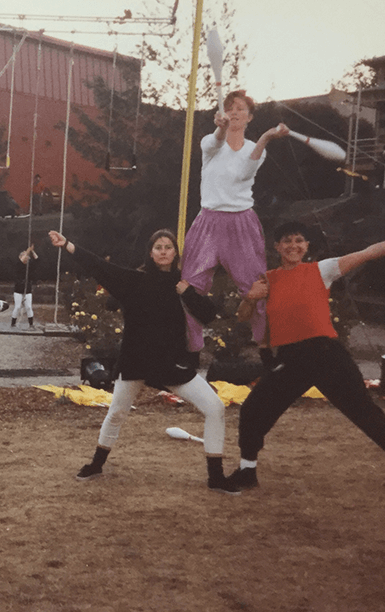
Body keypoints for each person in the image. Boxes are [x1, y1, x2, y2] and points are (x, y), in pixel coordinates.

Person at [49, 229, 240, 494]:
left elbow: (208, 315)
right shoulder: (134, 281)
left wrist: (187, 293)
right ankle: (96, 463)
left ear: (175, 253)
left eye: (168, 247)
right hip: (136, 360)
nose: (163, 251)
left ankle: (216, 477)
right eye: (158, 247)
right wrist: (68, 245)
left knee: (216, 408)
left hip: (171, 363)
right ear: (151, 253)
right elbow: (100, 267)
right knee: (116, 412)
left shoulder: (184, 282)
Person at [229, 221, 385, 489]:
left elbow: (368, 252)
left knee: (363, 411)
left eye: (299, 240)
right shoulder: (268, 279)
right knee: (254, 409)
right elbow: (243, 316)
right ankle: (247, 471)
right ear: (277, 247)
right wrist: (251, 298)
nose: (293, 246)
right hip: (291, 359)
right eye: (287, 241)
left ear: (306, 246)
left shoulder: (321, 270)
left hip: (326, 354)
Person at [181, 90, 289, 367]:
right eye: (230, 108)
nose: (234, 112)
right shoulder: (210, 142)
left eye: (241, 108)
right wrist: (219, 130)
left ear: (249, 117)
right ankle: (190, 357)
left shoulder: (256, 150)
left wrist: (266, 137)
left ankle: (267, 355)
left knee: (256, 287)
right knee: (188, 287)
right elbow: (216, 142)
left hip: (241, 223)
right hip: (207, 221)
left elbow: (245, 172)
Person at [11, 244, 38, 328]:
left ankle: (31, 324)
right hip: (18, 289)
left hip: (27, 289)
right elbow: (21, 262)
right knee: (18, 306)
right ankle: (13, 323)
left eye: (26, 256)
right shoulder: (18, 265)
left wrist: (32, 251)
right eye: (24, 256)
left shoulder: (29, 266)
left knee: (29, 307)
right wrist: (27, 251)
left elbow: (38, 260)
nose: (26, 257)